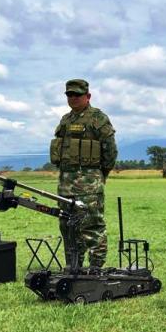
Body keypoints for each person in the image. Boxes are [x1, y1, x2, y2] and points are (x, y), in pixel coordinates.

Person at [50, 79, 118, 270]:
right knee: (68, 227)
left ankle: (96, 268)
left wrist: (100, 175)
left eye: (77, 95)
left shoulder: (98, 118)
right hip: (65, 185)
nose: (73, 98)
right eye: (69, 95)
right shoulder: (65, 120)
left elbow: (110, 151)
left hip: (88, 185)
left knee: (92, 226)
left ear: (87, 96)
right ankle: (73, 266)